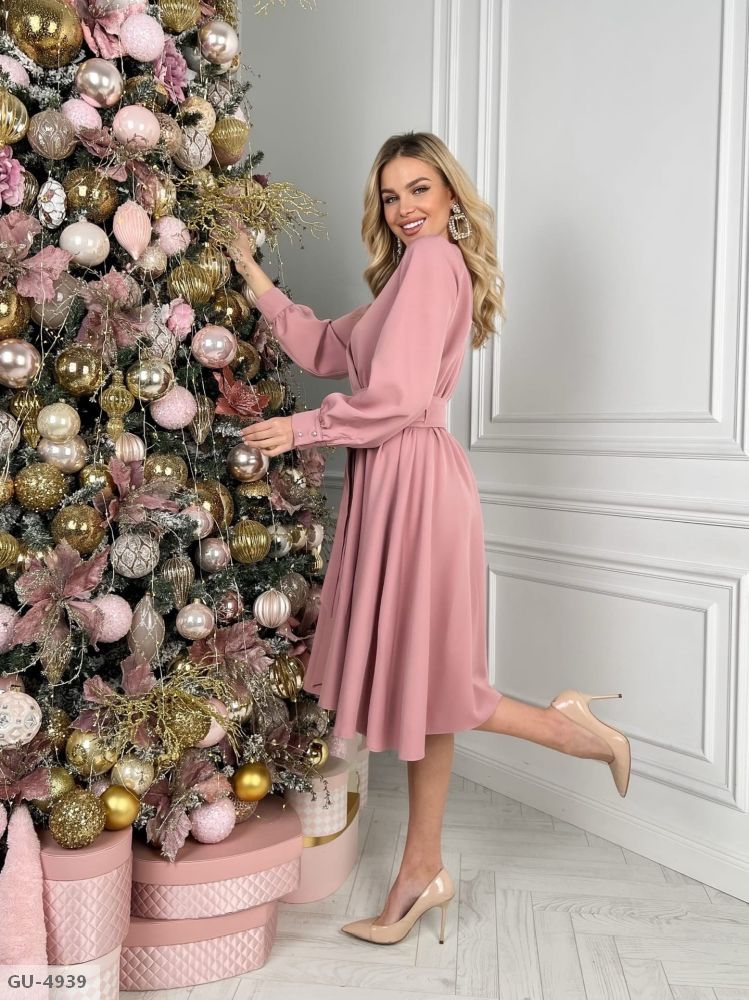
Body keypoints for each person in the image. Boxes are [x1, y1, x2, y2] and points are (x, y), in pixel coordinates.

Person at [227, 130, 630, 946]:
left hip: (415, 480)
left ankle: (566, 729)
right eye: (390, 195)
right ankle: (421, 870)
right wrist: (253, 276)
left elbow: (401, 398)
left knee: (437, 680)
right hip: (397, 480)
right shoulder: (406, 277)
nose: (404, 207)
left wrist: (301, 428)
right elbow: (326, 345)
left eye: (418, 189)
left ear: (449, 194)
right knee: (423, 685)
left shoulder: (434, 264)